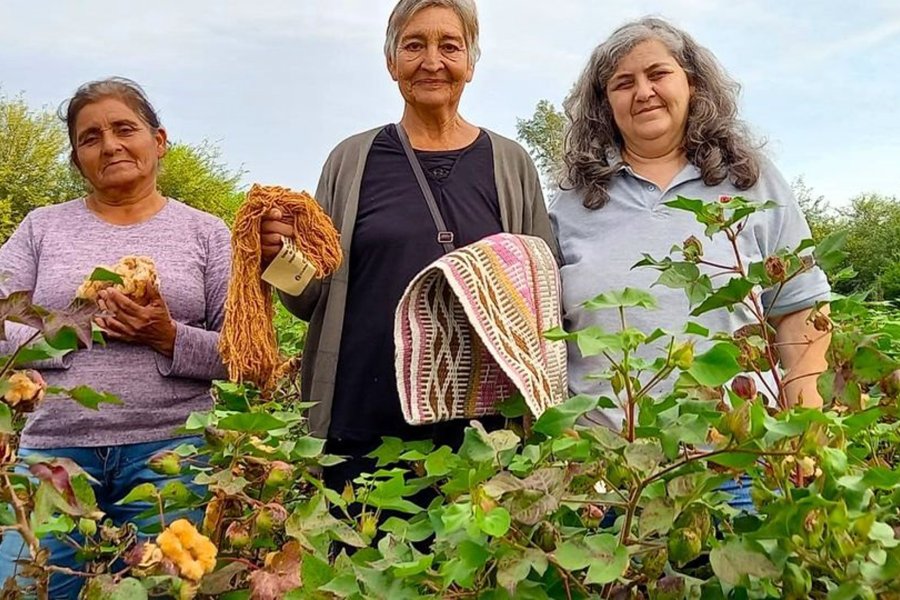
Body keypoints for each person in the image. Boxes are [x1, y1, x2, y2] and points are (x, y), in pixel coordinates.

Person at [260, 0, 555, 492]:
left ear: (471, 63)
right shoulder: (352, 160)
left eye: (450, 45)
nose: (432, 61)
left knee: (470, 562)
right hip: (360, 416)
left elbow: (541, 290)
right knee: (355, 556)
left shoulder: (509, 163)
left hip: (482, 429)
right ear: (391, 61)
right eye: (414, 45)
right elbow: (312, 297)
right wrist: (279, 257)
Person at [550, 18, 831, 507]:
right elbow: (547, 338)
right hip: (607, 477)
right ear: (604, 102)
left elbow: (800, 307)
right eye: (623, 82)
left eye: (658, 74)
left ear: (692, 83)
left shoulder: (750, 182)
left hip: (737, 461)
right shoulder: (571, 202)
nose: (643, 92)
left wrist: (803, 420)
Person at [0, 77, 230, 598]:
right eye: (90, 137)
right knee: (29, 585)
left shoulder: (206, 233)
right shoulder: (42, 229)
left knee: (161, 590)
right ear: (77, 158)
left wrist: (167, 336)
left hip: (173, 449)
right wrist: (69, 333)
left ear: (160, 140)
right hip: (55, 452)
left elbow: (240, 352)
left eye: (125, 128)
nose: (110, 145)